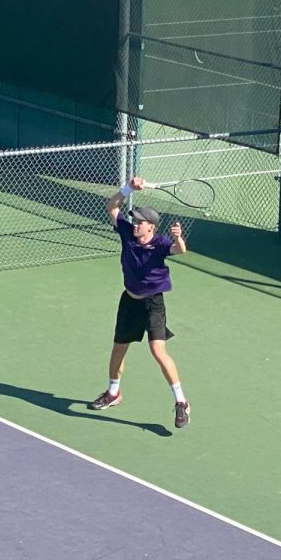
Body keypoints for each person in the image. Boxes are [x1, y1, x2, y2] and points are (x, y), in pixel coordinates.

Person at [90, 176, 191, 429]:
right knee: (117, 350)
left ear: (152, 227)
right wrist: (128, 188)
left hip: (152, 305)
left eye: (140, 222)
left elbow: (180, 251)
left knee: (158, 352)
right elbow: (112, 207)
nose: (135, 224)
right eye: (134, 220)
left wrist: (178, 237)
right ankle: (113, 393)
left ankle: (181, 403)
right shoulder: (126, 233)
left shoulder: (161, 244)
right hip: (129, 302)